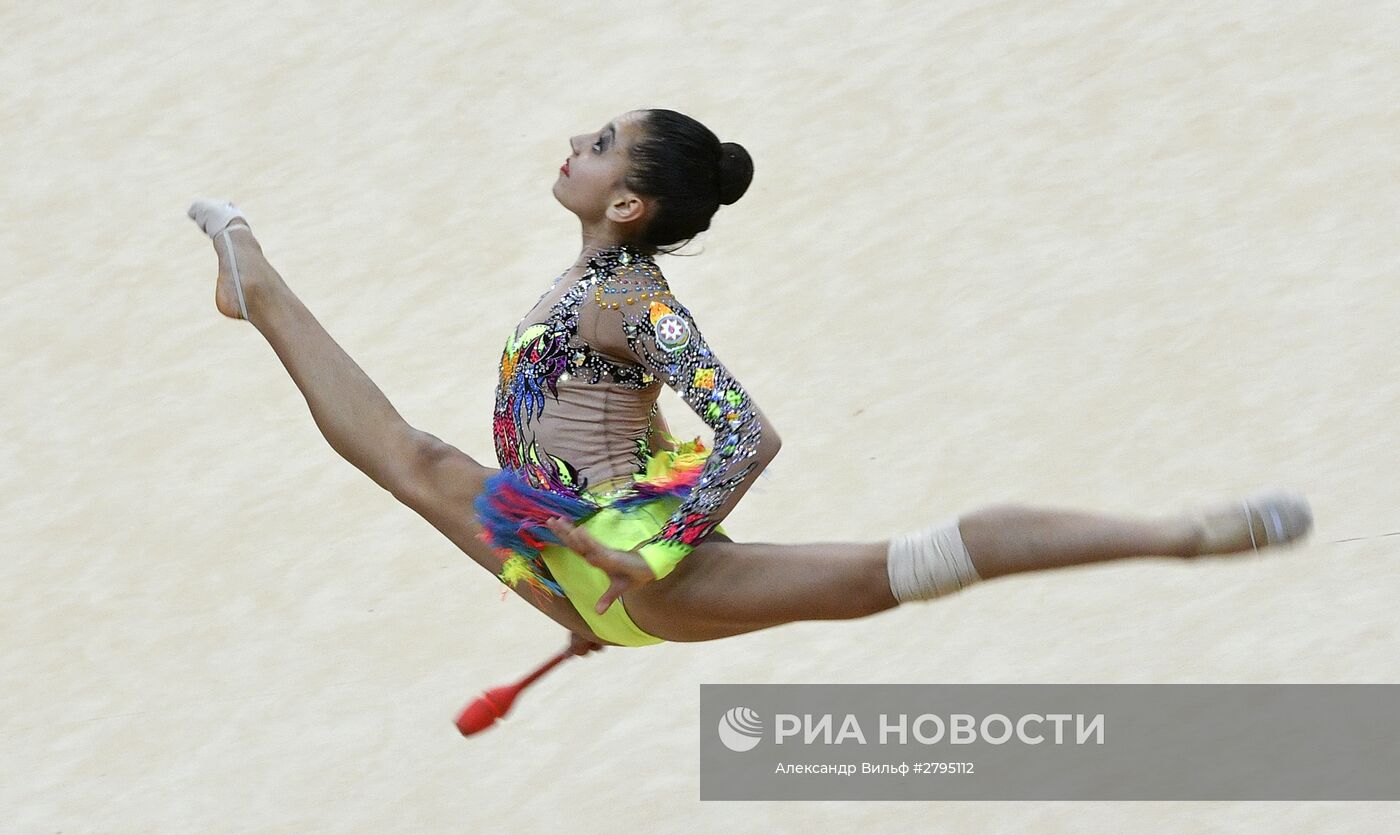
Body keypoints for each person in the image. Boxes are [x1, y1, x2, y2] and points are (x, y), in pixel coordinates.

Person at [188, 108, 1312, 650]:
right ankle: (264, 293)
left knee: (900, 568)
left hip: (639, 566)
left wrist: (648, 552)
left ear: (627, 204)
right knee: (410, 457)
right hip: (565, 554)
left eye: (595, 144)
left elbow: (745, 437)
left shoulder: (631, 300)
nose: (570, 148)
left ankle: (1176, 535)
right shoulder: (582, 288)